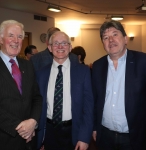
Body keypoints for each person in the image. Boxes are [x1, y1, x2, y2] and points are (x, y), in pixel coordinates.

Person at [92, 20, 146, 150]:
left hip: (135, 137)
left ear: (125, 39)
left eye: (115, 34)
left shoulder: (142, 61)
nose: (111, 40)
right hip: (105, 136)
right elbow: (94, 100)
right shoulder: (98, 66)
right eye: (105, 37)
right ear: (103, 44)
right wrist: (94, 127)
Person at [36, 31, 94, 150]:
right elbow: (37, 104)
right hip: (49, 132)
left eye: (64, 43)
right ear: (50, 48)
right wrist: (40, 137)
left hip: (73, 131)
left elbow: (88, 107)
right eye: (56, 43)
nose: (60, 47)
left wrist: (84, 137)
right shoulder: (41, 74)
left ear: (70, 47)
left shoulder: (83, 72)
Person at [0, 20, 42, 150]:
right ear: (0, 39)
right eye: (11, 35)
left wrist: (33, 122)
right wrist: (22, 128)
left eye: (20, 36)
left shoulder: (28, 65)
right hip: (4, 139)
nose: (16, 40)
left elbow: (37, 97)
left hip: (29, 140)